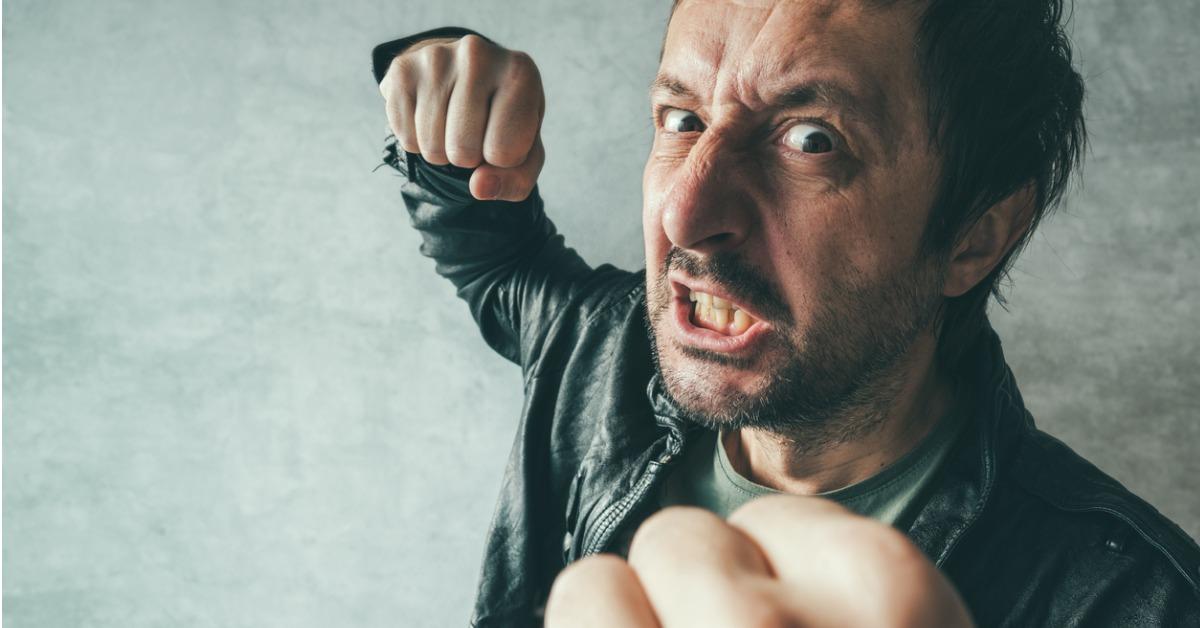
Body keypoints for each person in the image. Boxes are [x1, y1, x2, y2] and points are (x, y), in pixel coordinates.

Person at [370, 1, 1200, 626]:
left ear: (974, 237)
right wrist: (445, 96)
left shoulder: (1134, 601)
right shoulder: (601, 347)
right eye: (683, 118)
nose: (684, 215)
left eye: (811, 139)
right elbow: (492, 255)